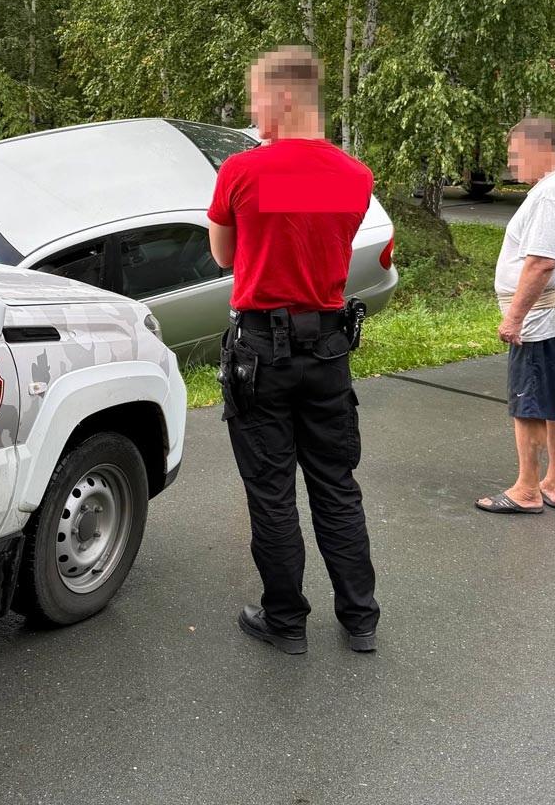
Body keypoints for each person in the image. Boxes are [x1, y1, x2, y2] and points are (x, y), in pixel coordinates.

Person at [208, 45, 379, 655]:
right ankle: (360, 618)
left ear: (283, 97)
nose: (253, 114)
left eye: (256, 98)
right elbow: (325, 243)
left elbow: (225, 258)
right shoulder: (356, 177)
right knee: (336, 483)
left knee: (273, 491)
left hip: (262, 351)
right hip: (329, 347)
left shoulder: (243, 172)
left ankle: (286, 621)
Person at [476, 117, 555, 515]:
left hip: (546, 321)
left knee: (529, 404)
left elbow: (541, 263)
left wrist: (514, 318)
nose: (513, 164)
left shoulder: (550, 195)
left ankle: (527, 490)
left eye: (515, 154)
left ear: (539, 149)